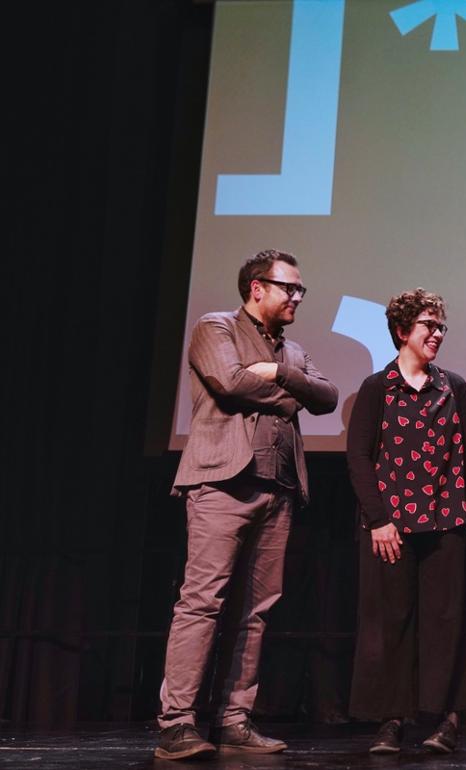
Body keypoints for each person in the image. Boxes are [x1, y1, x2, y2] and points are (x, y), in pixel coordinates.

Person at [157, 249, 339, 760]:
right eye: (290, 288)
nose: (297, 297)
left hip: (277, 487)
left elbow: (326, 395)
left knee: (257, 612)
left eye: (300, 290)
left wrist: (280, 375)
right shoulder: (215, 327)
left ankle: (234, 718)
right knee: (202, 601)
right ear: (257, 287)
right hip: (222, 481)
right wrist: (287, 395)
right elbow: (229, 382)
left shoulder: (291, 351)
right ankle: (176, 722)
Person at [345, 289, 466, 755]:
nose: (436, 335)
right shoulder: (377, 387)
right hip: (391, 525)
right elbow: (359, 458)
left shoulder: (454, 386)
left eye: (440, 327)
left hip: (447, 519)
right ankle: (391, 719)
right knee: (392, 620)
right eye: (429, 326)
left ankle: (444, 717)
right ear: (402, 331)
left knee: (445, 621)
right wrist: (378, 519)